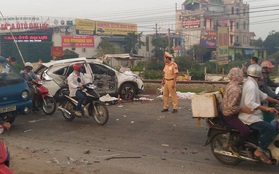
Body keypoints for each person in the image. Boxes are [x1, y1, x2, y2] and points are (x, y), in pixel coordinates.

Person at [238, 64, 279, 164]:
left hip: (254, 115)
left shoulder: (251, 82)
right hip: (249, 117)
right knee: (270, 128)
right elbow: (249, 103)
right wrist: (266, 108)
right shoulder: (251, 86)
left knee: (273, 123)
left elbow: (263, 95)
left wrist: (277, 101)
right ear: (259, 75)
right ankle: (259, 151)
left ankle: (261, 144)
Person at [221, 67, 252, 155]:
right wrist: (244, 110)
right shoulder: (235, 89)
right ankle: (234, 146)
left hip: (231, 112)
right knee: (246, 131)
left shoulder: (232, 84)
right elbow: (231, 107)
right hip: (229, 115)